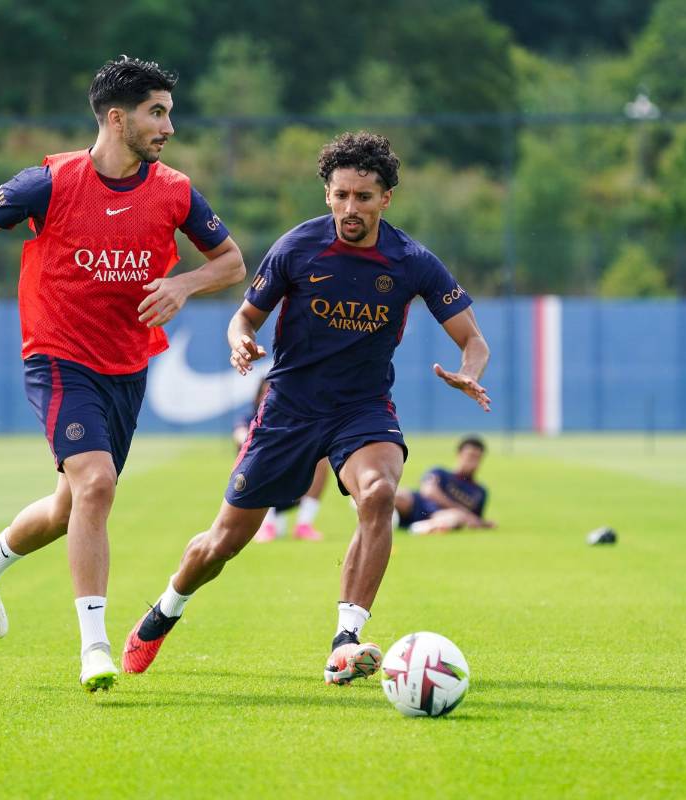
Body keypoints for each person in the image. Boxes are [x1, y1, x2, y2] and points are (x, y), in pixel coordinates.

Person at [0, 57, 245, 692]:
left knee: (72, 506)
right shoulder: (50, 181)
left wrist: (185, 283)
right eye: (158, 112)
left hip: (127, 364)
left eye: (170, 112)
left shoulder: (175, 189)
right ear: (117, 119)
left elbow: (230, 261)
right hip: (58, 356)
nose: (169, 126)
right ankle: (94, 647)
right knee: (95, 486)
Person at [121, 132, 491, 685]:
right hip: (288, 410)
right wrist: (239, 340)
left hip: (363, 408)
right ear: (327, 194)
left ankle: (346, 638)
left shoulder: (413, 261)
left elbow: (474, 340)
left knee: (381, 493)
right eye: (341, 195)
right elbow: (244, 316)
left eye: (364, 197)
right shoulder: (297, 246)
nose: (350, 208)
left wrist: (471, 373)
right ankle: (165, 610)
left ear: (386, 198)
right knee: (221, 544)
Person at [233, 379, 328, 542]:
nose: (268, 396)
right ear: (257, 397)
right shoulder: (251, 418)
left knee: (321, 459)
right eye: (265, 392)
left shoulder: (296, 418)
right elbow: (239, 435)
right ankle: (267, 525)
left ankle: (304, 525)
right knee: (261, 455)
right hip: (258, 490)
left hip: (292, 486)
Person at [394, 435, 494, 534]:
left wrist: (484, 524)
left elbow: (474, 519)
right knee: (397, 495)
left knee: (456, 517)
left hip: (441, 516)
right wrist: (460, 509)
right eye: (469, 456)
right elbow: (428, 491)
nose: (472, 461)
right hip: (417, 505)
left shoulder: (480, 491)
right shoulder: (440, 472)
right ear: (459, 454)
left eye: (477, 457)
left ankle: (420, 528)